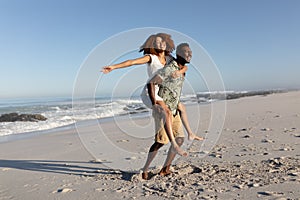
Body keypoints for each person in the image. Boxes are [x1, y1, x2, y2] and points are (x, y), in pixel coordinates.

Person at [101, 33, 202, 156]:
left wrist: (180, 71)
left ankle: (190, 133)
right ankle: (174, 145)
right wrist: (113, 67)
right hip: (151, 92)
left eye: (163, 42)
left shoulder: (169, 58)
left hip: (164, 92)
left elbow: (184, 66)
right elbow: (132, 62)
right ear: (153, 45)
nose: (161, 44)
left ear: (167, 43)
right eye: (158, 43)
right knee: (167, 112)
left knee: (181, 107)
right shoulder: (151, 58)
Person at [142, 43, 196, 179]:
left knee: (179, 139)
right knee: (160, 142)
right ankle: (145, 169)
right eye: (186, 52)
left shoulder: (183, 68)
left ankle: (165, 169)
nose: (189, 55)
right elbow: (151, 83)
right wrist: (155, 104)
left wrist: (182, 70)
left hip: (174, 107)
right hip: (163, 108)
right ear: (178, 54)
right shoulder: (169, 69)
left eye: (190, 52)